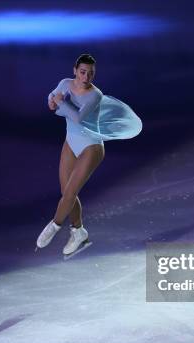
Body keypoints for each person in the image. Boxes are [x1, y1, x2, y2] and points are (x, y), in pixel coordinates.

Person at [36, 53, 142, 256]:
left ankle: (55, 226)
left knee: (69, 194)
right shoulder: (65, 83)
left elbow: (76, 117)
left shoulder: (95, 95)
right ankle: (78, 231)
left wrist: (60, 103)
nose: (86, 77)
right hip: (71, 142)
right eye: (83, 72)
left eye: (90, 74)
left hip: (90, 147)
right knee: (67, 192)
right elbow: (52, 98)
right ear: (75, 70)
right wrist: (51, 102)